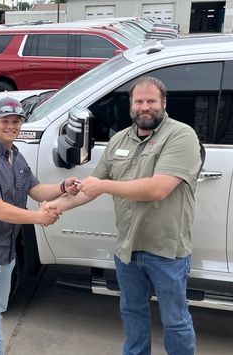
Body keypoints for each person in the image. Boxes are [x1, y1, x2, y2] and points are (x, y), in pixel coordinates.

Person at [47, 76, 202, 355]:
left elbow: (158, 188)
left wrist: (103, 185)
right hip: (127, 250)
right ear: (130, 105)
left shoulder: (181, 135)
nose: (145, 107)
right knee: (132, 312)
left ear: (164, 103)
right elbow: (89, 189)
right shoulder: (120, 139)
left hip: (166, 251)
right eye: (139, 101)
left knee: (175, 320)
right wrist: (57, 206)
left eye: (151, 101)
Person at [0, 97, 78, 355]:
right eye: (5, 121)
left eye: (16, 121)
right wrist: (39, 218)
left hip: (5, 251)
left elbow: (37, 190)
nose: (11, 126)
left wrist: (64, 187)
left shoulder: (15, 156)